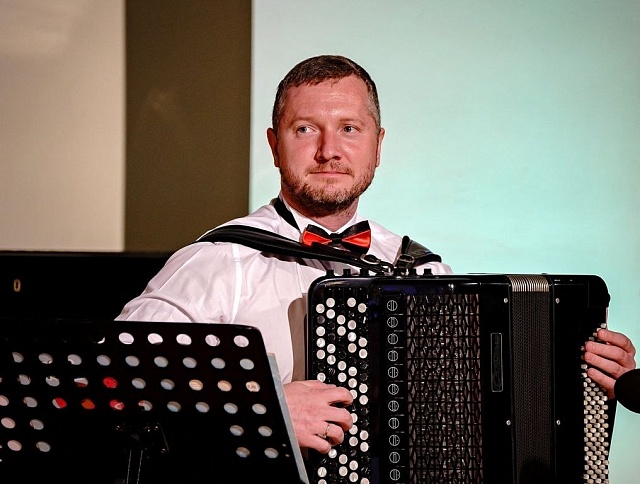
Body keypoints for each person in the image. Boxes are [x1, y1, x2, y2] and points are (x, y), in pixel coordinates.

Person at [116, 54, 636, 454]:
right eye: (305, 129)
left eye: (349, 128)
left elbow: (482, 417)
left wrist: (591, 384)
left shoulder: (425, 270)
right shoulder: (218, 261)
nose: (328, 150)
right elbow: (115, 376)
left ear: (378, 144)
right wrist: (260, 405)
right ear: (274, 145)